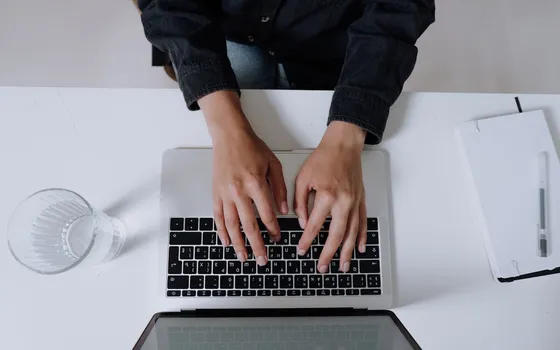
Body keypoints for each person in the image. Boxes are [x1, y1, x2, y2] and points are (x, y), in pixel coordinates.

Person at [136, 0, 435, 273]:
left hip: (330, 37)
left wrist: (346, 137)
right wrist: (227, 130)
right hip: (223, 30)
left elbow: (401, 6)